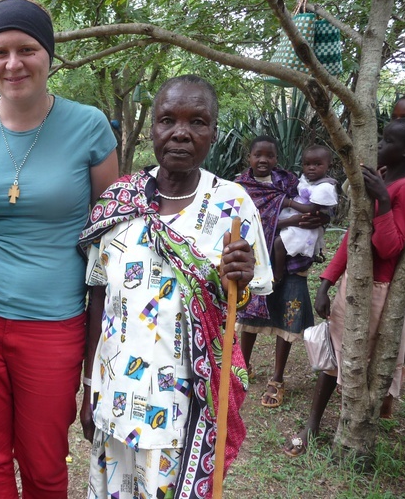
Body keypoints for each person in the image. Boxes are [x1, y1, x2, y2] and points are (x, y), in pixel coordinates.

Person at [0, 0, 118, 498]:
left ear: (50, 55)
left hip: (53, 318)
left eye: (27, 49)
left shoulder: (89, 127)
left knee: (43, 456)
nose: (13, 63)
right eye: (0, 52)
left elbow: (112, 232)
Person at [79, 75, 272, 499]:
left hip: (186, 405)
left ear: (214, 133)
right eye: (168, 120)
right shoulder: (119, 201)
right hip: (116, 395)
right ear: (152, 129)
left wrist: (237, 277)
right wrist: (90, 389)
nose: (181, 132)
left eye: (197, 122)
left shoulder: (232, 205)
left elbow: (244, 299)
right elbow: (98, 297)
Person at [285, 118, 405, 456]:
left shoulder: (401, 188)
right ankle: (312, 424)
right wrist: (327, 281)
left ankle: (352, 430)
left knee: (357, 360)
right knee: (334, 352)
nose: (380, 146)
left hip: (379, 290)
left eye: (388, 142)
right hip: (356, 283)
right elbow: (355, 236)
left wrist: (381, 199)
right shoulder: (380, 179)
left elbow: (390, 247)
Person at [235, 136, 326, 408]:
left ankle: (277, 378)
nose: (263, 160)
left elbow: (314, 208)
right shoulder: (240, 186)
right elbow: (246, 220)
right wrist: (295, 218)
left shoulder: (288, 182)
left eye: (269, 155)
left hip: (291, 261)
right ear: (249, 158)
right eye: (257, 155)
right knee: (250, 318)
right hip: (256, 260)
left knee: (286, 316)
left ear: (277, 158)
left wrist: (316, 217)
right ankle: (243, 367)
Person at [272, 145, 338, 281]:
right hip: (296, 219)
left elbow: (312, 210)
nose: (311, 168)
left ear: (329, 166)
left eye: (317, 164)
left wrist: (289, 203)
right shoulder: (306, 181)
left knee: (279, 243)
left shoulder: (325, 187)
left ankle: (277, 274)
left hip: (305, 224)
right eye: (307, 164)